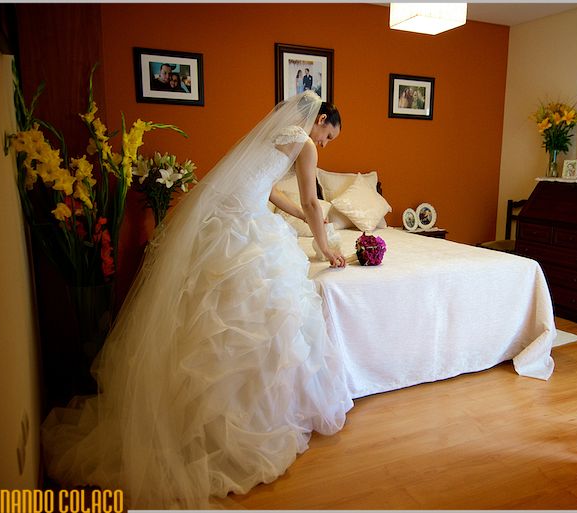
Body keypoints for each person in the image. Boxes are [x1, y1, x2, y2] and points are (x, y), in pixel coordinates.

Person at [41, 91, 352, 509]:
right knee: (255, 310)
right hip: (244, 223)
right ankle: (240, 421)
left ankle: (194, 415)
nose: (325, 144)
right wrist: (325, 244)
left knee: (208, 314)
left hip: (227, 214)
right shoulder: (306, 142)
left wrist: (295, 215)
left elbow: (265, 186)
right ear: (319, 121)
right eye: (328, 135)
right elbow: (315, 200)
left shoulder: (279, 132)